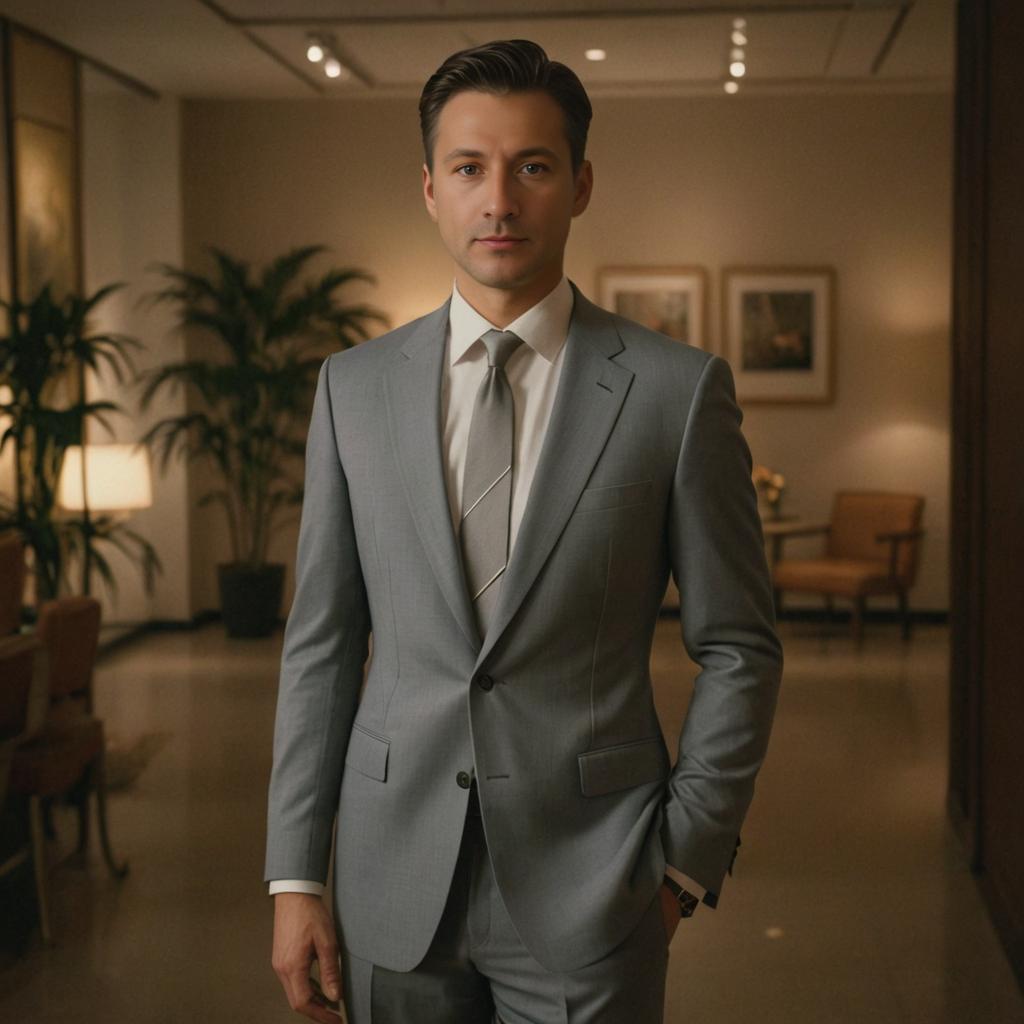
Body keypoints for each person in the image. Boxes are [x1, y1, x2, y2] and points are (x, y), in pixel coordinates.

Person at [266, 38, 782, 1024]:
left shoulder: (675, 394)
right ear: (429, 187)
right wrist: (295, 874)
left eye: (531, 167)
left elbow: (738, 646)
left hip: (597, 880)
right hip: (391, 873)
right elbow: (321, 647)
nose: (498, 198)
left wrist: (682, 858)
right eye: (468, 168)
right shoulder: (353, 389)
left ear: (580, 184)